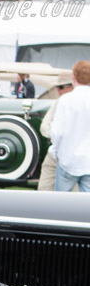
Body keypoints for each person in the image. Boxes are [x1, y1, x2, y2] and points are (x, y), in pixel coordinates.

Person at [51, 60, 90, 192]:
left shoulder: (66, 100)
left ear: (74, 78)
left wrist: (55, 150)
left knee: (60, 205)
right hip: (88, 161)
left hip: (68, 158)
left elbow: (57, 131)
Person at [38, 72, 74, 191]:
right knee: (44, 189)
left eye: (61, 87)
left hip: (74, 156)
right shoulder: (58, 103)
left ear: (71, 86)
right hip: (55, 153)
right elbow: (44, 127)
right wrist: (56, 135)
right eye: (57, 87)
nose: (58, 90)